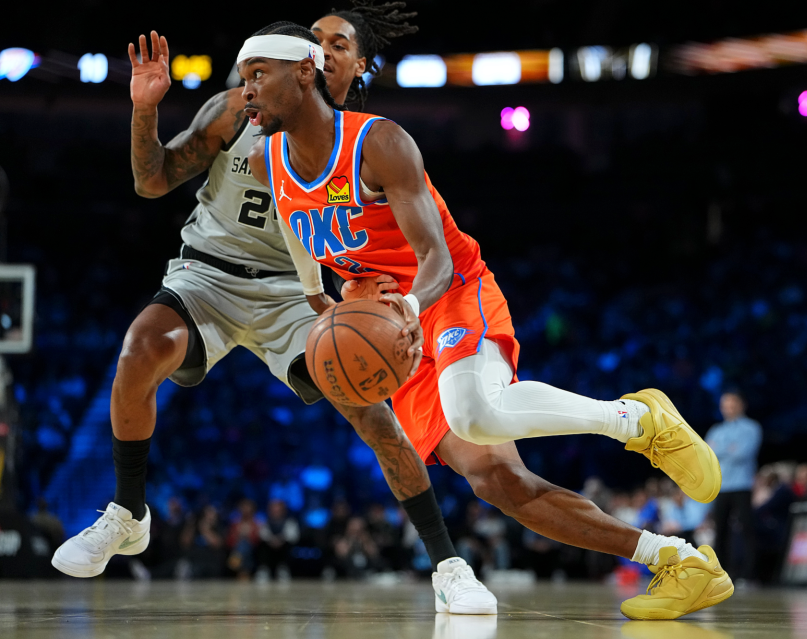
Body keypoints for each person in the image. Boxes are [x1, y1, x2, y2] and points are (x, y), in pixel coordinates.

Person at [240, 18, 731, 620]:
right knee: (497, 481)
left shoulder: (379, 142)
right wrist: (318, 292)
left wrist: (408, 308)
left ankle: (637, 421)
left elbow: (437, 259)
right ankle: (679, 562)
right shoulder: (268, 159)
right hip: (389, 331)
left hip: (445, 293)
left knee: (474, 412)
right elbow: (294, 223)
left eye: (257, 73)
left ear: (308, 71)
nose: (246, 89)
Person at [51, 11, 495, 615]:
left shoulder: (361, 141)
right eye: (248, 75)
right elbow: (151, 182)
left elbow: (393, 242)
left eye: (336, 48)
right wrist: (144, 109)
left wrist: (374, 297)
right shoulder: (235, 112)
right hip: (208, 274)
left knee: (372, 416)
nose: (251, 86)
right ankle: (129, 513)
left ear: (309, 73)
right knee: (139, 348)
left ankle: (447, 563)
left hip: (294, 290)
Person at [705, 390, 762, 583]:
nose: (728, 408)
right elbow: (706, 454)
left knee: (746, 529)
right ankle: (720, 574)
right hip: (720, 486)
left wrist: (719, 449)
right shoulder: (716, 429)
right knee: (720, 530)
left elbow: (744, 453)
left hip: (742, 485)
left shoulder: (751, 428)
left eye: (732, 404)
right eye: (725, 405)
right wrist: (729, 449)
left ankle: (749, 574)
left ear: (741, 405)